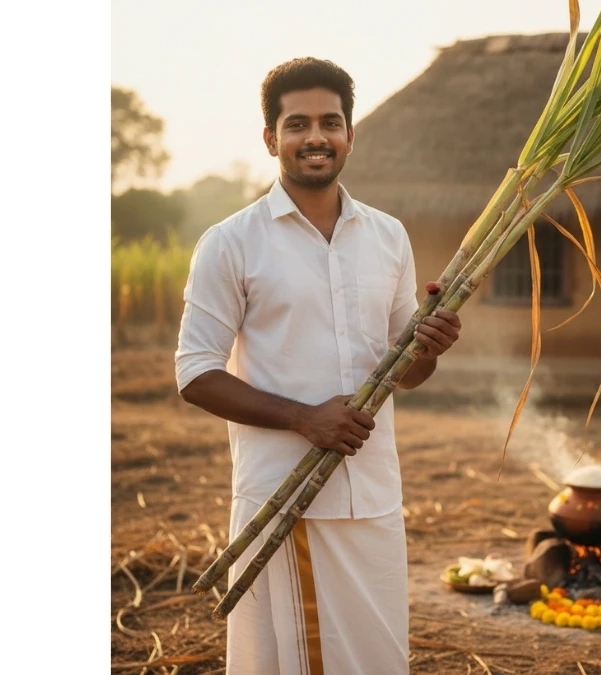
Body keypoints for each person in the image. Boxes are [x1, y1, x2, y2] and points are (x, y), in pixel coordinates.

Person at [174, 57, 462, 675]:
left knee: (379, 660)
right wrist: (304, 418)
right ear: (270, 138)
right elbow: (195, 372)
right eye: (297, 123)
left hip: (375, 496)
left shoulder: (388, 236)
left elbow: (404, 373)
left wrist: (428, 349)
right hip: (287, 499)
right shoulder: (231, 242)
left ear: (351, 135)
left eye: (330, 123)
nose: (315, 137)